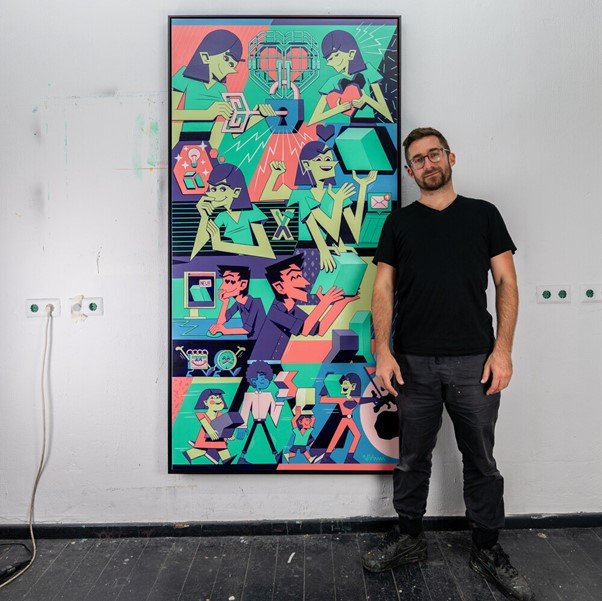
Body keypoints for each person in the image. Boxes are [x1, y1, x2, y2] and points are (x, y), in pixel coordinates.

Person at [362, 127, 534, 601]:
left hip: (474, 361)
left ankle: (487, 548)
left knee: (481, 460)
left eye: (434, 154)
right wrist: (382, 351)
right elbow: (383, 289)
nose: (428, 163)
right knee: (411, 458)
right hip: (412, 362)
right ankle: (409, 538)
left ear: (450, 157)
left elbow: (507, 283)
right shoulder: (399, 223)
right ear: (410, 170)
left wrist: (503, 350)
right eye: (418, 159)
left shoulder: (483, 214)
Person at [190, 163, 275, 260]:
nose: (215, 194)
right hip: (236, 262)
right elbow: (194, 254)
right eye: (213, 189)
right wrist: (204, 217)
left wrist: (219, 245)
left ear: (236, 192)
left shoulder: (251, 211)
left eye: (222, 189)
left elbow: (267, 252)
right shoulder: (222, 216)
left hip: (253, 262)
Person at [308, 30, 393, 125]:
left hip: (372, 124)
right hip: (348, 126)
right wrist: (338, 109)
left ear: (351, 54)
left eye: (335, 56)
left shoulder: (368, 70)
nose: (330, 63)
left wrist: (366, 99)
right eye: (329, 59)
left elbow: (386, 113)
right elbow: (314, 118)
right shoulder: (332, 81)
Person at [208, 265, 266, 338]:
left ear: (243, 284)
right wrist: (225, 302)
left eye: (229, 281)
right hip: (252, 341)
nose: (222, 287)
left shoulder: (256, 303)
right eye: (223, 281)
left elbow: (246, 330)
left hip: (262, 341)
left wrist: (225, 331)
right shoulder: (239, 303)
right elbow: (221, 321)